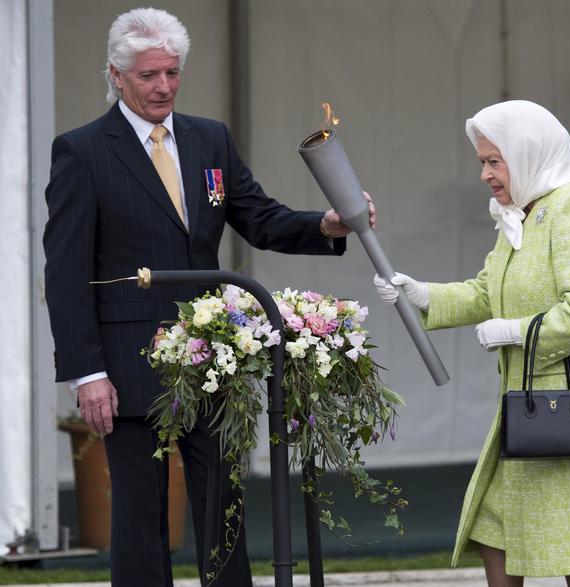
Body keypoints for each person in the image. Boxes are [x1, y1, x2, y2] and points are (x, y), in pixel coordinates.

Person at [43, 8, 374, 587]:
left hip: (212, 355)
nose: (163, 86)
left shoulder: (208, 137)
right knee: (142, 519)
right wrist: (85, 371)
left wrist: (325, 226)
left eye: (172, 72)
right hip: (128, 361)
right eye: (148, 75)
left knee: (224, 511)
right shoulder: (83, 150)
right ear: (116, 76)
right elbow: (65, 272)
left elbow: (258, 217)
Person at [374, 100, 570, 586]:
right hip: (533, 402)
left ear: (529, 152)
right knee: (495, 524)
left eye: (494, 160)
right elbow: (490, 291)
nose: (485, 174)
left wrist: (514, 331)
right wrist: (422, 295)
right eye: (483, 162)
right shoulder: (523, 213)